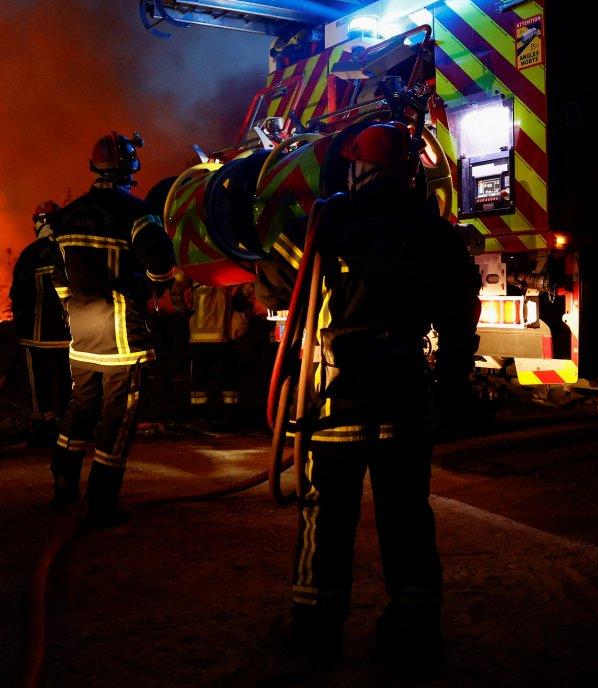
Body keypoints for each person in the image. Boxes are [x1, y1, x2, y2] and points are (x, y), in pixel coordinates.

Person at [258, 122, 480, 666]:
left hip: (335, 405)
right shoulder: (437, 234)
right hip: (405, 405)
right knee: (407, 518)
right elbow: (459, 319)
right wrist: (450, 390)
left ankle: (314, 634)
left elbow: (269, 284)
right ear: (410, 172)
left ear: (355, 167)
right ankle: (414, 634)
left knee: (324, 516)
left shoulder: (326, 221)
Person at [49, 131, 177, 527]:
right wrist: (151, 287)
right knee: (118, 417)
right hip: (122, 338)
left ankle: (64, 487)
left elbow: (59, 278)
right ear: (130, 169)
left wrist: (75, 306)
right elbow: (161, 266)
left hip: (81, 336)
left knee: (80, 408)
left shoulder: (65, 216)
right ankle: (102, 500)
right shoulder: (137, 214)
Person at [9, 201, 71, 447]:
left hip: (37, 335)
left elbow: (18, 295)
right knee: (68, 379)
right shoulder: (70, 249)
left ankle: (43, 426)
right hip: (70, 332)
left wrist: (20, 328)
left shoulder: (29, 254)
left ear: (38, 223)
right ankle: (70, 425)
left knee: (40, 383)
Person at [186, 282, 254, 427]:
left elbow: (180, 301)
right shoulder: (227, 279)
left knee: (200, 380)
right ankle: (230, 415)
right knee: (228, 378)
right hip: (223, 337)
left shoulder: (193, 277)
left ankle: (200, 416)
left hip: (198, 338)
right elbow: (245, 294)